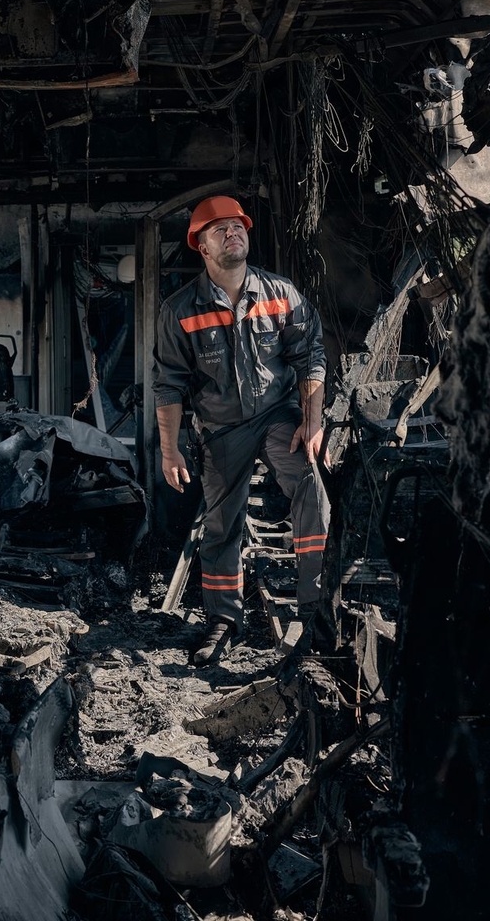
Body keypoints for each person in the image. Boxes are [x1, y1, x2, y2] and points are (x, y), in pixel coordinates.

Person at [151, 195, 330, 667]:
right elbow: (168, 384)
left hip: (278, 416)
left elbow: (310, 353)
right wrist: (170, 452)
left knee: (311, 484)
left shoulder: (279, 294)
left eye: (238, 226)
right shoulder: (180, 310)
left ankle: (316, 611)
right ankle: (224, 622)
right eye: (220, 230)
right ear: (202, 247)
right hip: (222, 427)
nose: (233, 233)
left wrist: (312, 422)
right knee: (221, 524)